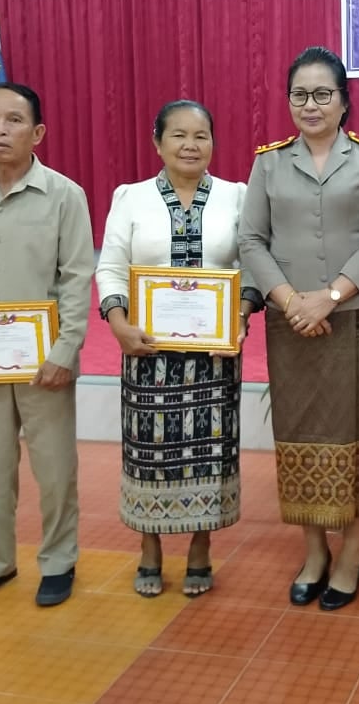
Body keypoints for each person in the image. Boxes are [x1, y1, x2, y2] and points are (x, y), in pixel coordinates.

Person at [238, 45, 359, 611]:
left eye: (322, 94)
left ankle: (352, 555)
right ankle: (314, 552)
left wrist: (330, 297)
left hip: (358, 320)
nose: (310, 105)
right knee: (301, 433)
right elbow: (251, 240)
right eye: (299, 95)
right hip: (292, 323)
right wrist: (292, 302)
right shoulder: (268, 163)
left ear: (344, 100)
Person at [94, 100, 261, 598]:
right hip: (147, 354)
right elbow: (111, 267)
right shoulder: (131, 198)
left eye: (201, 135)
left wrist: (240, 316)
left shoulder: (236, 196)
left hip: (214, 358)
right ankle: (149, 550)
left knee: (209, 453)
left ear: (213, 142)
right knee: (148, 454)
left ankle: (200, 550)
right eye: (179, 135)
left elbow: (252, 266)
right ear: (157, 142)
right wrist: (118, 324)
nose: (190, 145)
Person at [0, 82, 94, 608]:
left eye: (14, 120)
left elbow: (77, 279)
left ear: (38, 132)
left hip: (43, 361)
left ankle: (59, 561)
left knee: (54, 469)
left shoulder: (65, 196)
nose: (0, 130)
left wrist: (65, 352)